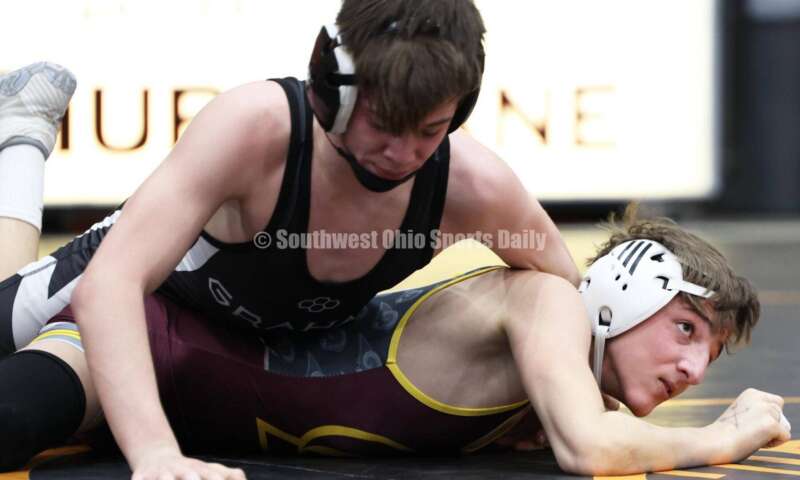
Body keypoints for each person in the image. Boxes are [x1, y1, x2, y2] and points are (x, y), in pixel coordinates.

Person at [0, 1, 581, 478]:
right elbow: (111, 284)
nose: (403, 154)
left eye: (430, 130)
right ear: (333, 89)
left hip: (241, 361)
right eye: (383, 124)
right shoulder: (254, 129)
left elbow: (565, 286)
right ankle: (21, 143)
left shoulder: (473, 186)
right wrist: (154, 452)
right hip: (146, 309)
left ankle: (20, 136)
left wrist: (555, 399)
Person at [0, 205, 790, 476]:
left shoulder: (565, 386)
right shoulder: (547, 301)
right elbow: (591, 450)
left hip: (181, 398)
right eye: (686, 330)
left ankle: (19, 146)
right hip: (149, 342)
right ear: (622, 292)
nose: (693, 368)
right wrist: (722, 438)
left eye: (709, 354)